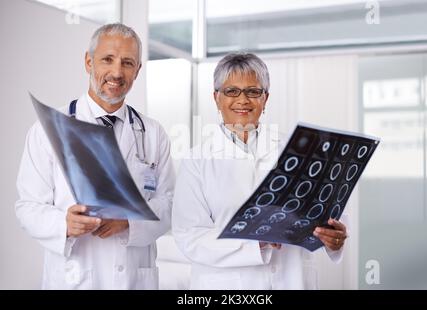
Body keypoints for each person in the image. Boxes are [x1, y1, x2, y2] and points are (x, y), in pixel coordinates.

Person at [15, 23, 175, 289]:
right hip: (74, 277)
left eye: (127, 62)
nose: (116, 72)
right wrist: (63, 223)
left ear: (137, 70)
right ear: (89, 62)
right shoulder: (49, 128)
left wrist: (127, 222)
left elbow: (169, 204)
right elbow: (27, 207)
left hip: (135, 278)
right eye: (107, 59)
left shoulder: (153, 133)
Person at [172, 53, 348, 289]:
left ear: (265, 99)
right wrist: (254, 243)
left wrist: (334, 238)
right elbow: (190, 237)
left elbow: (330, 211)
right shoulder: (196, 160)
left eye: (253, 91)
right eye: (231, 91)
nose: (242, 100)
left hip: (291, 280)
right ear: (216, 98)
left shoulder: (299, 151)